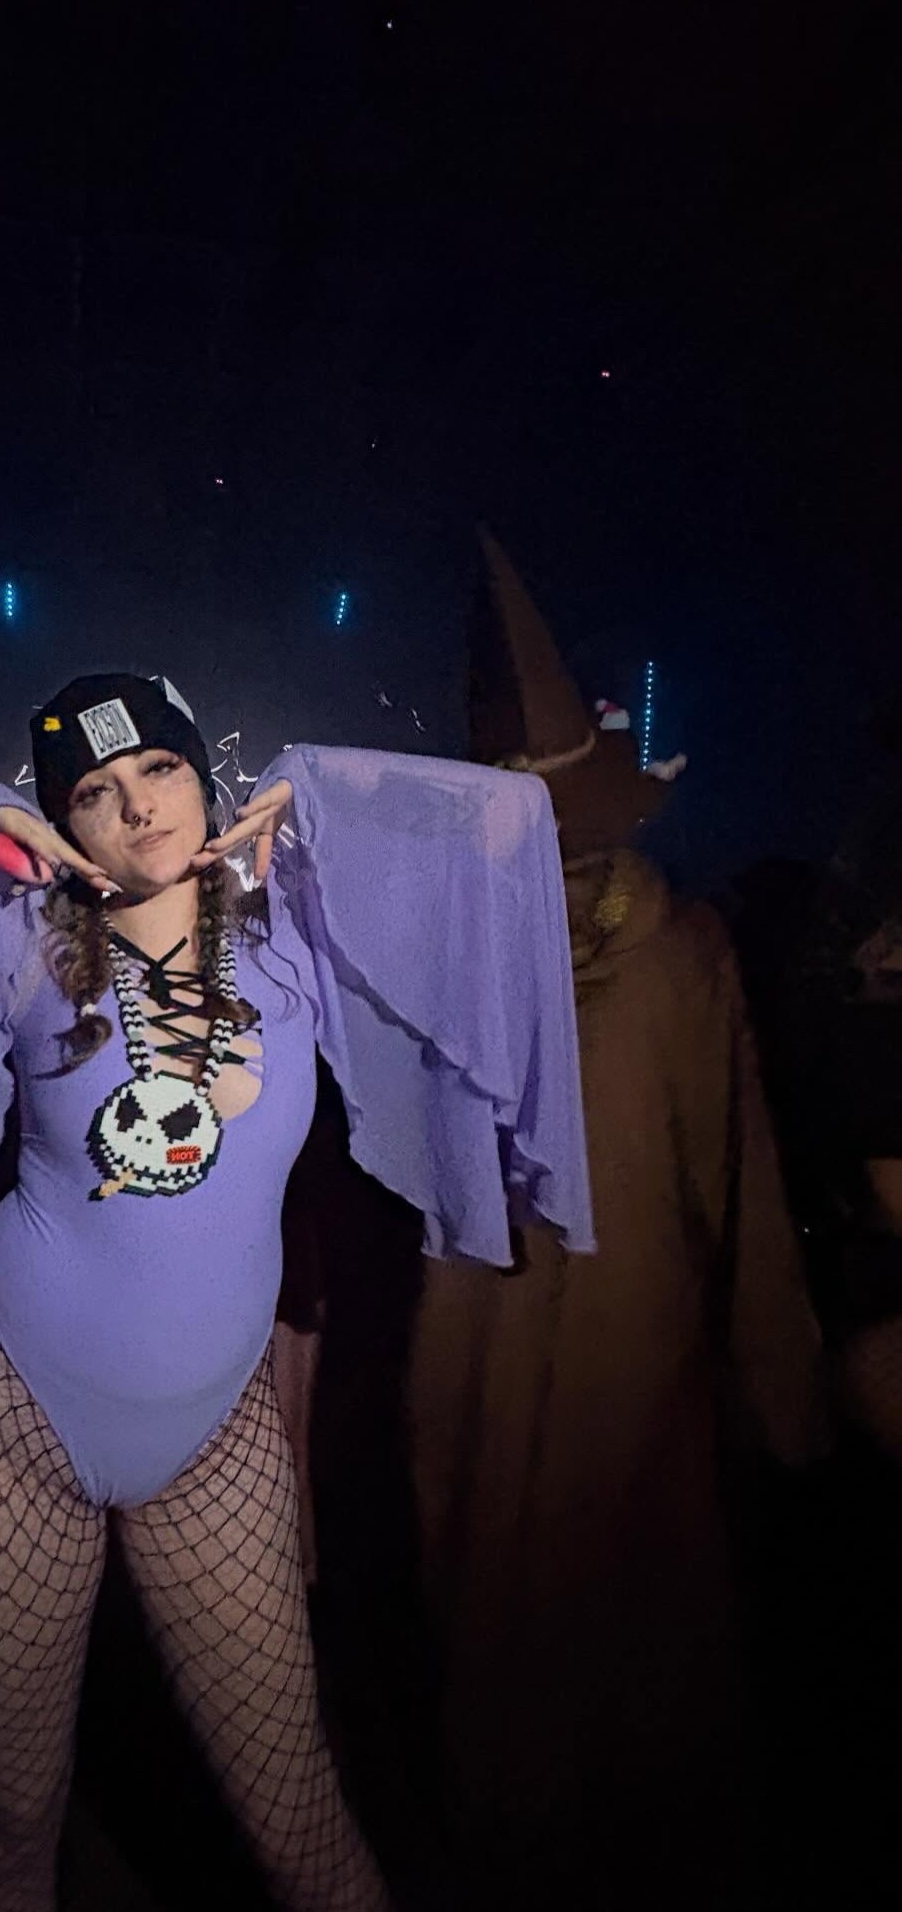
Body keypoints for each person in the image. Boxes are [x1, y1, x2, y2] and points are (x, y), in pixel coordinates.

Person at [0, 670, 593, 1911]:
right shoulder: (15, 947)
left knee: (300, 1812)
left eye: (161, 768)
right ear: (62, 823)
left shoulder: (295, 938)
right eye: (94, 790)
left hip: (214, 1437)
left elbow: (508, 824)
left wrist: (324, 793)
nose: (137, 806)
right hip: (2, 1425)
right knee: (13, 1822)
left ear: (205, 779)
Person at [401, 535, 830, 1909]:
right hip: (627, 1382)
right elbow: (741, 1190)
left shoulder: (421, 975)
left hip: (468, 1400)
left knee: (506, 1707)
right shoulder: (684, 952)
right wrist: (790, 1411)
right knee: (641, 1727)